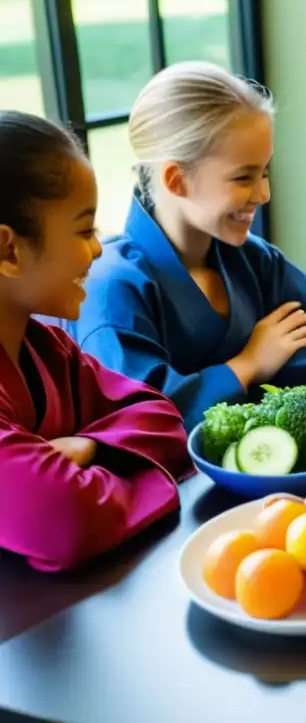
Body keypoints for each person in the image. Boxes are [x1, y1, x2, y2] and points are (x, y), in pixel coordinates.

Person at [64, 62, 306, 431]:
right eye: (243, 177)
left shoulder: (248, 257)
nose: (264, 194)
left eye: (264, 172)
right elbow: (144, 420)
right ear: (177, 179)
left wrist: (242, 395)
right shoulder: (111, 289)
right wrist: (247, 365)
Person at [0, 111, 192, 572]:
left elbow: (163, 419)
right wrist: (121, 468)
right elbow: (66, 520)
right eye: (84, 230)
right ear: (8, 251)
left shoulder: (48, 349)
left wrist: (90, 450)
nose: (99, 247)